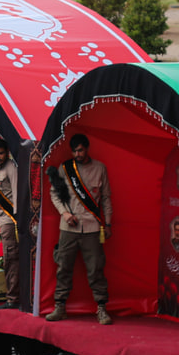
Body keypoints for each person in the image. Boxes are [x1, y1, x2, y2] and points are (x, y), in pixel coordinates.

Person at [46, 133, 113, 325]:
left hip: (92, 226)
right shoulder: (65, 168)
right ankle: (60, 306)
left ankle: (101, 308)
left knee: (96, 269)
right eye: (74, 151)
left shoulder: (100, 168)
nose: (78, 154)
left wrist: (107, 223)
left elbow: (106, 198)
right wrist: (64, 214)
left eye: (81, 150)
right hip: (68, 226)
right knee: (63, 267)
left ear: (87, 148)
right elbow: (55, 195)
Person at [0, 139, 19, 310]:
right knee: (8, 258)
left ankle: (13, 298)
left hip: (10, 220)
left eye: (0, 153)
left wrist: (16, 221)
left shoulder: (11, 168)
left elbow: (16, 194)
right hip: (2, 218)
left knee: (11, 258)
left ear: (6, 152)